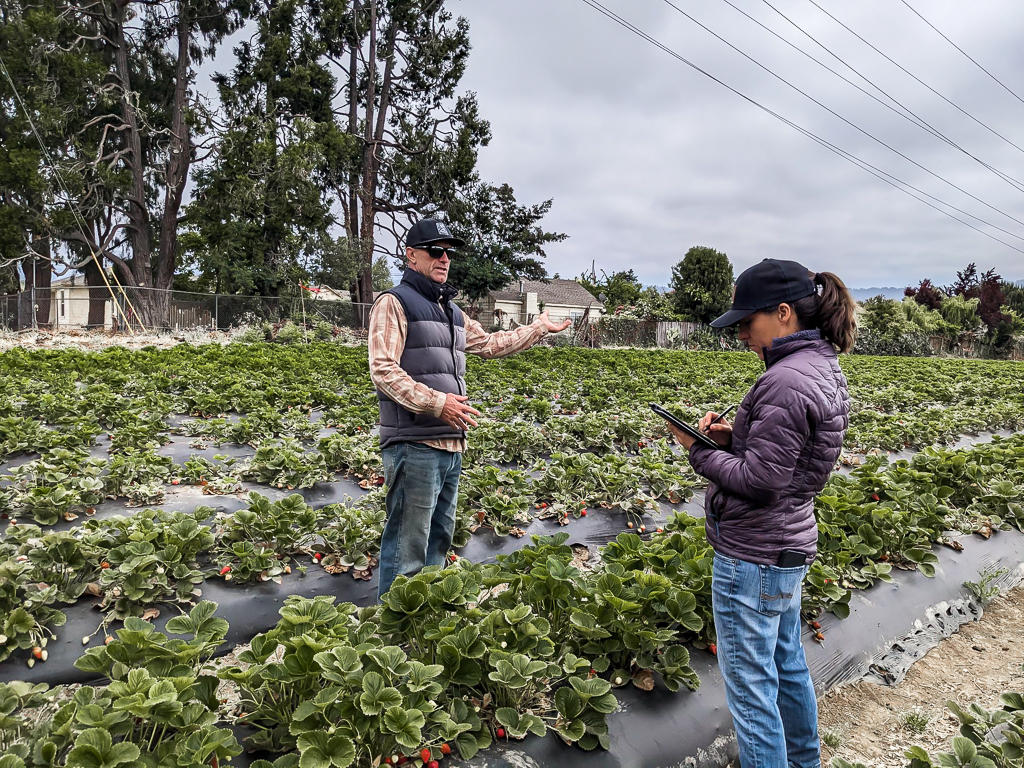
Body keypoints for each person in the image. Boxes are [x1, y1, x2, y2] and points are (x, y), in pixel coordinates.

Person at [667, 258, 857, 768]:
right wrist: (735, 438)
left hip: (753, 554)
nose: (744, 337)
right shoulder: (820, 368)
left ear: (783, 312)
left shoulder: (784, 380)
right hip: (789, 545)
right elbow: (787, 460)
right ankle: (803, 762)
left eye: (748, 324)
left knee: (752, 693)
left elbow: (761, 481)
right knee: (787, 664)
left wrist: (697, 448)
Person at [368, 217, 571, 598]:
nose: (444, 259)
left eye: (449, 252)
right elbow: (383, 369)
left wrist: (539, 328)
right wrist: (437, 402)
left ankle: (423, 621)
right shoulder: (393, 303)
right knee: (407, 546)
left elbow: (492, 344)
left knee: (438, 542)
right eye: (435, 251)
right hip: (414, 443)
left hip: (450, 444)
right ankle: (392, 631)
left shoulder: (451, 311)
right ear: (412, 255)